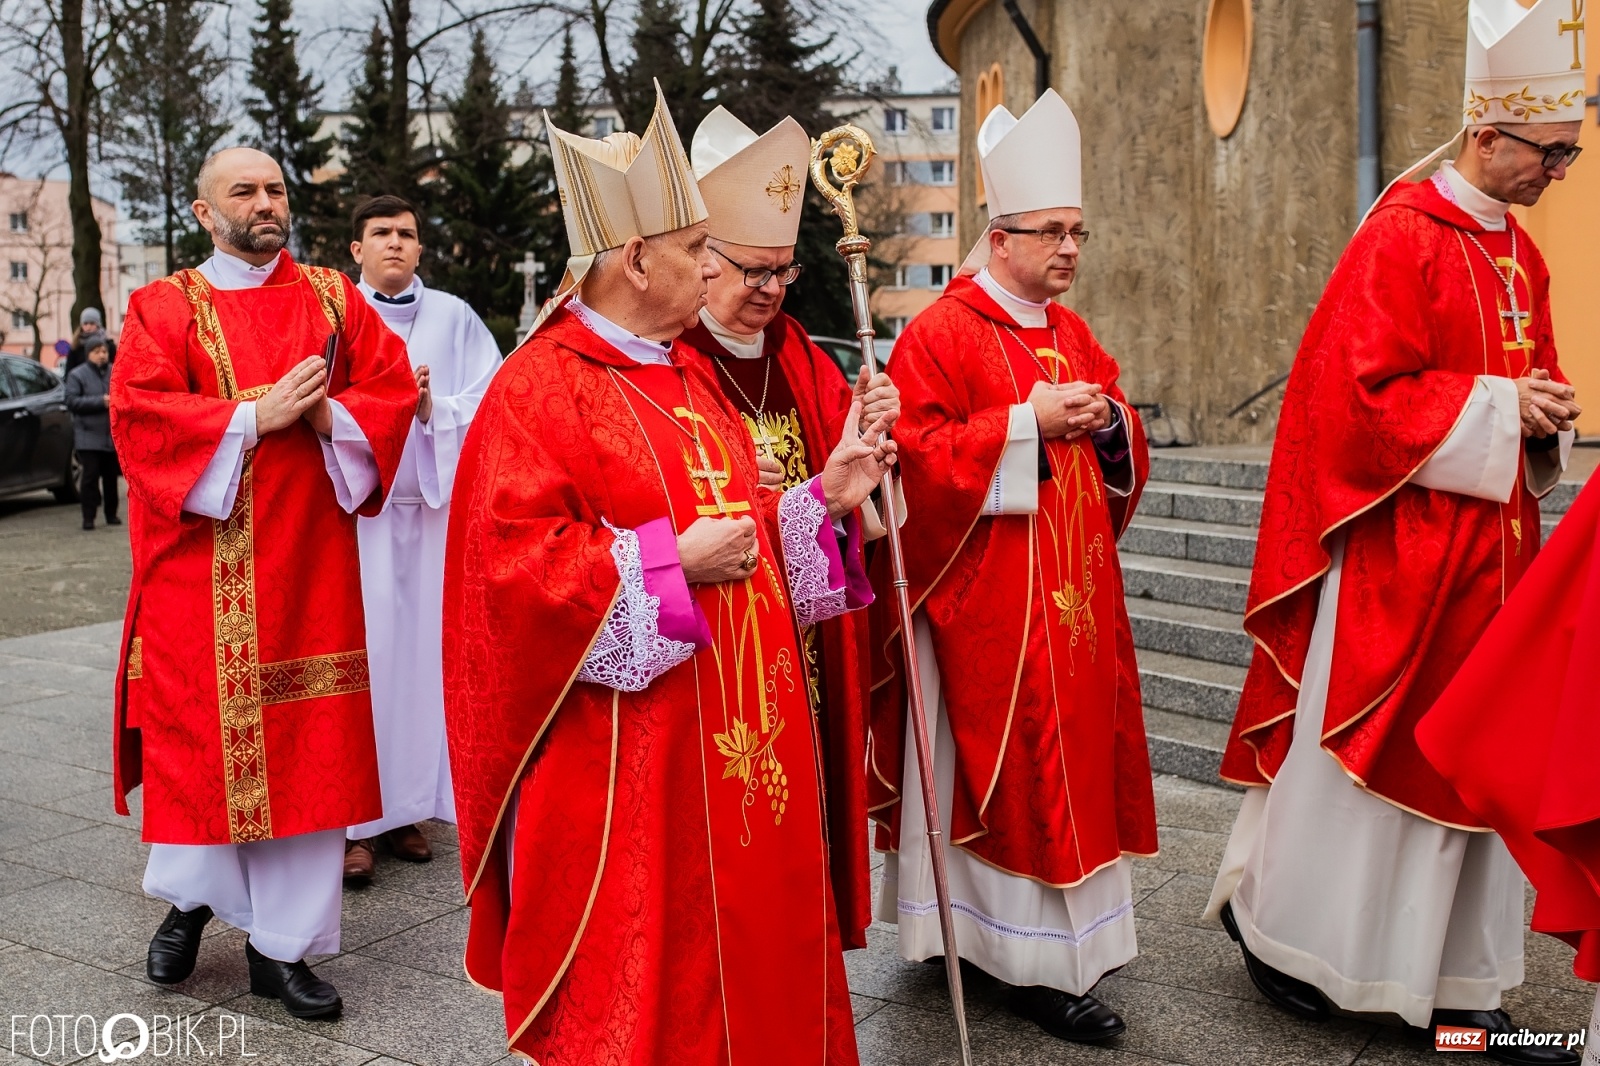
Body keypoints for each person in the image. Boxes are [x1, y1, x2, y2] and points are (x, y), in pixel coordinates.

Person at [443, 84, 893, 1064]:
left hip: (745, 752)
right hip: (633, 764)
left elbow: (739, 536)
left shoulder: (681, 370)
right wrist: (662, 564)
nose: (709, 268)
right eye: (696, 250)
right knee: (660, 988)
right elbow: (509, 580)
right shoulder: (538, 387)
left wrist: (824, 497)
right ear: (637, 256)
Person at [1205, 2, 1583, 1060]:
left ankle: (1461, 978)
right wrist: (1505, 408)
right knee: (1374, 768)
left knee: (1477, 769)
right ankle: (1298, 946)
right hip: (1399, 562)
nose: (1557, 174)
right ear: (1487, 132)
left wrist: (1540, 413)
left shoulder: (1523, 257)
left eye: (1570, 154)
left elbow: (1524, 379)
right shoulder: (1401, 235)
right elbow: (1357, 402)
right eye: (1548, 153)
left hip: (1497, 563)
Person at [868, 89, 1154, 1044]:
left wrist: (1115, 426)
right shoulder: (941, 332)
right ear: (997, 238)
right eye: (1052, 232)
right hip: (992, 605)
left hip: (1075, 603)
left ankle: (1075, 944)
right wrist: (1026, 424)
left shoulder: (1071, 333)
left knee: (1073, 766)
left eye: (1080, 232)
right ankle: (1017, 957)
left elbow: (1118, 429)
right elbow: (917, 456)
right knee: (1015, 774)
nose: (1071, 249)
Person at [109, 146, 417, 1018]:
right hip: (200, 574)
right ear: (205, 212)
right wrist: (251, 416)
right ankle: (192, 898)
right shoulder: (163, 306)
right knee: (203, 749)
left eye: (275, 189)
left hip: (311, 572)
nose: (265, 203)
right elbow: (139, 417)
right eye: (243, 192)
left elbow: (389, 393)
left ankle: (281, 951)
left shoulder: (333, 296)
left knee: (306, 752)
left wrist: (329, 414)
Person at [677, 105, 900, 948]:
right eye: (750, 269)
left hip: (801, 637)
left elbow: (855, 493)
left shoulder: (802, 351)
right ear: (700, 262)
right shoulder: (668, 359)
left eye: (783, 271)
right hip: (717, 637)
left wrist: (873, 436)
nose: (769, 288)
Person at [340, 194, 501, 885]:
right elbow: (322, 402)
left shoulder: (454, 318)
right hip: (361, 517)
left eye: (407, 233)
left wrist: (433, 408)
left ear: (420, 248)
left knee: (421, 664)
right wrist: (385, 399)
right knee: (365, 662)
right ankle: (353, 822)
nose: (396, 244)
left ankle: (405, 810)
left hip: (433, 514)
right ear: (357, 249)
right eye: (381, 234)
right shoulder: (334, 314)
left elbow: (491, 401)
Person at [64, 334, 119, 530]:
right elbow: (71, 401)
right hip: (88, 436)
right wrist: (100, 402)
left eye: (104, 351)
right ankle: (88, 518)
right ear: (88, 354)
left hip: (111, 436)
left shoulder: (115, 372)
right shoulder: (77, 375)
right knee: (90, 478)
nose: (102, 355)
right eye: (97, 352)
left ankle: (111, 514)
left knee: (111, 478)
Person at [65, 307, 115, 375]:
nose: (88, 327)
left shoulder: (108, 344)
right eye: (85, 323)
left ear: (98, 324)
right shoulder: (76, 345)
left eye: (92, 323)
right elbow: (69, 370)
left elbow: (114, 366)